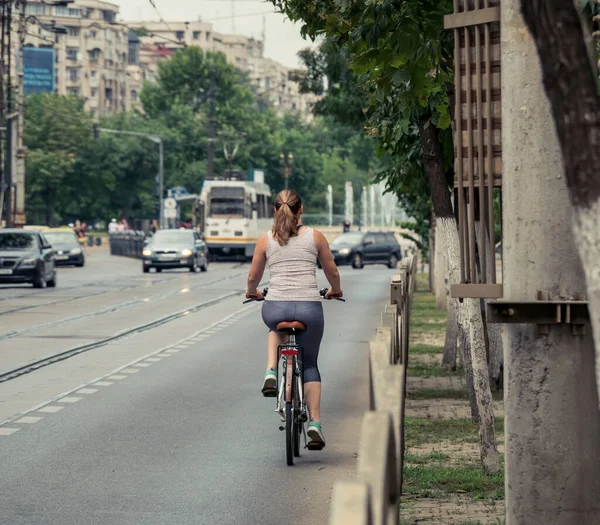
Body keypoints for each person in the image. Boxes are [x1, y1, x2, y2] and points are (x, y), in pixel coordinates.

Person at [245, 189, 343, 449]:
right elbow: (332, 270)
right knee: (309, 363)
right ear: (301, 210)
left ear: (275, 211)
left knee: (273, 328)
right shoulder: (316, 237)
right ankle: (314, 424)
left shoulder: (266, 240)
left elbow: (253, 277)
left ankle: (271, 370)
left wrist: (252, 292)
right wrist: (335, 290)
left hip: (275, 307)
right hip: (310, 309)